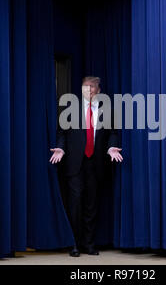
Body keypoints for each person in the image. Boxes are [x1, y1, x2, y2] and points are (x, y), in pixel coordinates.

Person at [49, 76, 123, 257]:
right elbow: (62, 133)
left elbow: (113, 132)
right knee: (75, 204)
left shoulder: (108, 110)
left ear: (98, 91)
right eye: (84, 88)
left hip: (96, 163)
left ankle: (89, 244)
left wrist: (111, 146)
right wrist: (60, 148)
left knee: (92, 205)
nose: (88, 91)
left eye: (91, 88)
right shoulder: (70, 109)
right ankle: (74, 244)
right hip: (75, 163)